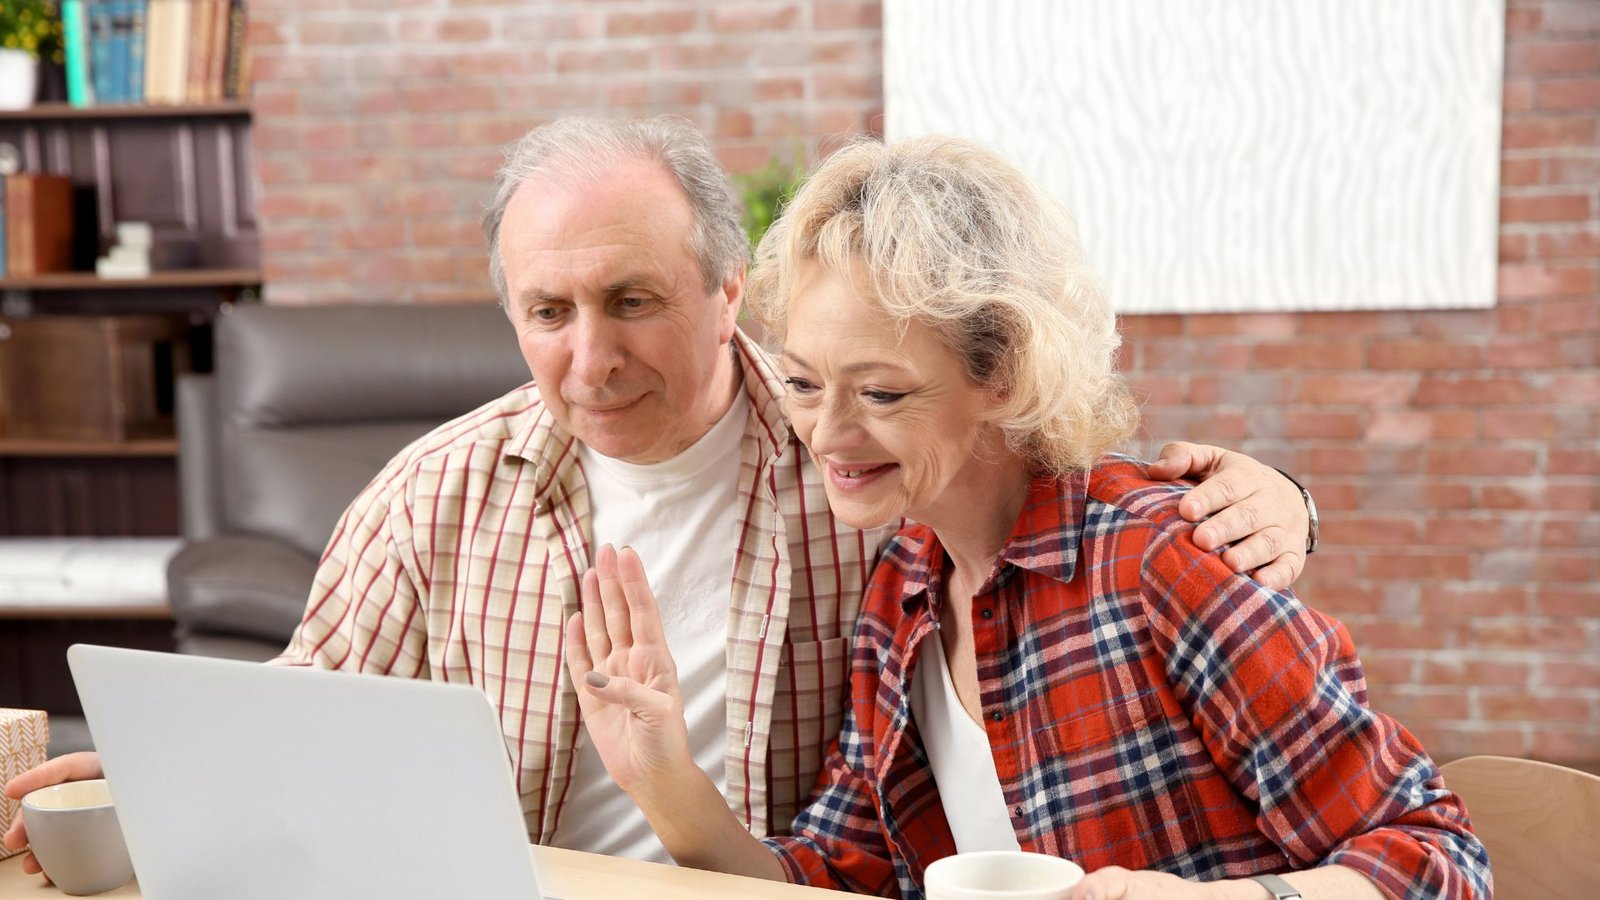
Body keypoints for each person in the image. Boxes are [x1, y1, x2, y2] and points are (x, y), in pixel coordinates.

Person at [4, 117, 1317, 877]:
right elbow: (292, 708)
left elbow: (1031, 454)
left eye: (632, 300)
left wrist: (1283, 497)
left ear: (724, 293)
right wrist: (148, 766)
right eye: (547, 312)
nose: (592, 357)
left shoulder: (850, 467)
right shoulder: (438, 492)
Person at [561, 134, 1491, 899]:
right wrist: (661, 778)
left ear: (1002, 374)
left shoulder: (1155, 560)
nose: (828, 433)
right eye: (804, 383)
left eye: (882, 393)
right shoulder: (904, 591)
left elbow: (1440, 856)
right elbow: (830, 884)